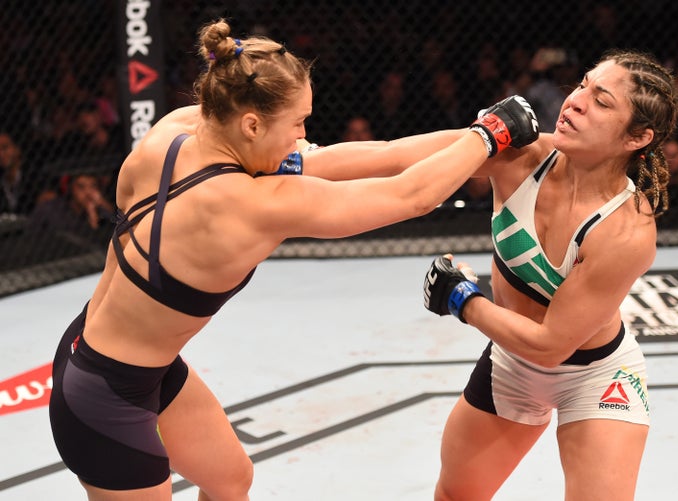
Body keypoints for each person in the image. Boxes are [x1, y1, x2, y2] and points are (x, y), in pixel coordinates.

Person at [48, 19, 540, 501]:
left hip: (112, 353)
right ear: (253, 123)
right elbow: (410, 196)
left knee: (229, 481)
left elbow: (377, 155)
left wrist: (484, 137)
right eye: (297, 122)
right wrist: (487, 136)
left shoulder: (178, 131)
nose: (303, 134)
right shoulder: (252, 205)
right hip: (102, 399)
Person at [422, 49, 678, 501]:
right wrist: (298, 162)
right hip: (511, 364)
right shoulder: (523, 157)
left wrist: (463, 300)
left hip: (597, 376)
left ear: (637, 137)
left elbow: (549, 346)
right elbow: (397, 159)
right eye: (583, 85)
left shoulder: (627, 230)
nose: (577, 100)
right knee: (455, 496)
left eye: (602, 101)